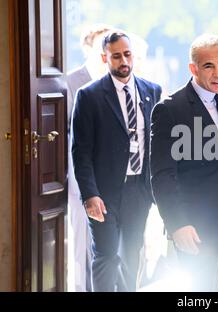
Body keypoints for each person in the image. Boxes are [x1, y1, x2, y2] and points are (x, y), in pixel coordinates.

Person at [150, 34, 218, 291]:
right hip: (195, 220)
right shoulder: (170, 109)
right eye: (209, 66)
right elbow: (161, 174)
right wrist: (177, 223)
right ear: (193, 68)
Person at [71, 30, 162, 291]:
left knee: (132, 256)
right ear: (105, 58)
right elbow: (82, 151)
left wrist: (153, 190)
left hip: (139, 191)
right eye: (116, 56)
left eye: (127, 54)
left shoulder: (151, 90)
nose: (123, 61)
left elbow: (157, 143)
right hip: (104, 193)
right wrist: (90, 195)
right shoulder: (89, 96)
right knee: (107, 256)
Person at [66, 23, 112, 292]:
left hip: (111, 179)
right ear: (87, 48)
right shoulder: (71, 82)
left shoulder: (115, 83)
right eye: (100, 46)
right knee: (82, 248)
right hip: (80, 180)